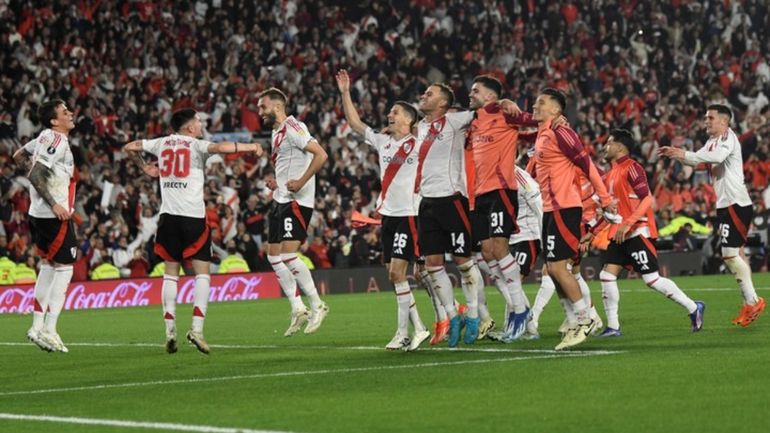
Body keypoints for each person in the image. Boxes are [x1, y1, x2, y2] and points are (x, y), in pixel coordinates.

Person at [123, 108, 263, 354]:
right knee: (202, 274)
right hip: (193, 219)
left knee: (170, 274)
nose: (200, 124)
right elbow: (220, 149)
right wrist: (250, 148)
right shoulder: (195, 144)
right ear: (189, 127)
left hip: (168, 218)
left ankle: (169, 330)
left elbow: (130, 147)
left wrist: (145, 166)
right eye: (198, 121)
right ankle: (197, 329)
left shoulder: (160, 143)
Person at [337, 69, 430, 351]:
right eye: (390, 111)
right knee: (392, 273)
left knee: (397, 274)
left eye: (397, 112)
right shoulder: (383, 141)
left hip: (409, 215)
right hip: (388, 216)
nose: (391, 115)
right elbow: (354, 122)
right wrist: (344, 92)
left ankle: (405, 331)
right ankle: (420, 327)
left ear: (410, 119)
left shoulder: (418, 144)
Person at [583, 129, 704, 336]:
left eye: (609, 143)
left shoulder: (633, 168)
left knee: (651, 279)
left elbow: (647, 199)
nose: (605, 147)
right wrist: (593, 232)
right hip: (619, 232)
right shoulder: (610, 174)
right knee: (606, 275)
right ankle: (613, 327)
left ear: (620, 147)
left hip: (637, 231)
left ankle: (694, 307)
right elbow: (611, 211)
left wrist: (628, 224)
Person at [659, 104, 765, 326]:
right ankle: (750, 302)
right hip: (726, 205)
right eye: (706, 117)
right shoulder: (711, 141)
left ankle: (753, 301)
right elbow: (697, 159)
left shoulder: (727, 137)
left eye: (711, 117)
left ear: (724, 122)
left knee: (730, 255)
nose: (706, 121)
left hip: (736, 203)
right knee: (732, 254)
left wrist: (684, 154)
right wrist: (678, 157)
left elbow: (714, 159)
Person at [528, 88, 616, 350]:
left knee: (558, 269)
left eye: (541, 102)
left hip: (565, 208)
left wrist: (606, 198)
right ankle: (576, 318)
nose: (535, 105)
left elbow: (586, 164)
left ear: (557, 110)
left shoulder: (561, 131)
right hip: (549, 209)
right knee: (554, 272)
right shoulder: (543, 133)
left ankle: (584, 319)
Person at [413, 83, 487, 347]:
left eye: (429, 93)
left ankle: (476, 317)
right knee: (432, 265)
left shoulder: (456, 121)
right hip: (427, 203)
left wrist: (505, 103)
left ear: (443, 103)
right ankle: (454, 316)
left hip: (452, 200)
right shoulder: (420, 127)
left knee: (464, 262)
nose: (424, 95)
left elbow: (486, 108)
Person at [257, 88, 330, 337]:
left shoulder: (293, 126)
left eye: (262, 106)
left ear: (277, 106)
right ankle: (298, 308)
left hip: (297, 201)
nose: (259, 112)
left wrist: (300, 181)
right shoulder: (276, 132)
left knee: (289, 255)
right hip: (281, 199)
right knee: (273, 255)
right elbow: (289, 164)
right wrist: (277, 182)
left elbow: (321, 155)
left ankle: (318, 304)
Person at [465, 75, 533, 341]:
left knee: (501, 248)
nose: (470, 94)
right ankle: (521, 309)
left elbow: (533, 123)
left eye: (476, 90)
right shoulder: (472, 122)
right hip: (480, 195)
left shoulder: (504, 112)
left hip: (501, 190)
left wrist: (551, 121)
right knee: (488, 251)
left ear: (490, 96)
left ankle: (519, 311)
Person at [11, 99, 78, 353]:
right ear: (54, 120)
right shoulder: (56, 140)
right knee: (65, 269)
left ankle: (36, 327)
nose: (70, 113)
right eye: (64, 112)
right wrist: (54, 203)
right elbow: (37, 173)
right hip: (53, 216)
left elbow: (19, 156)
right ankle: (50, 329)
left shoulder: (43, 137)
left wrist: (40, 195)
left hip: (37, 213)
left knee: (48, 266)